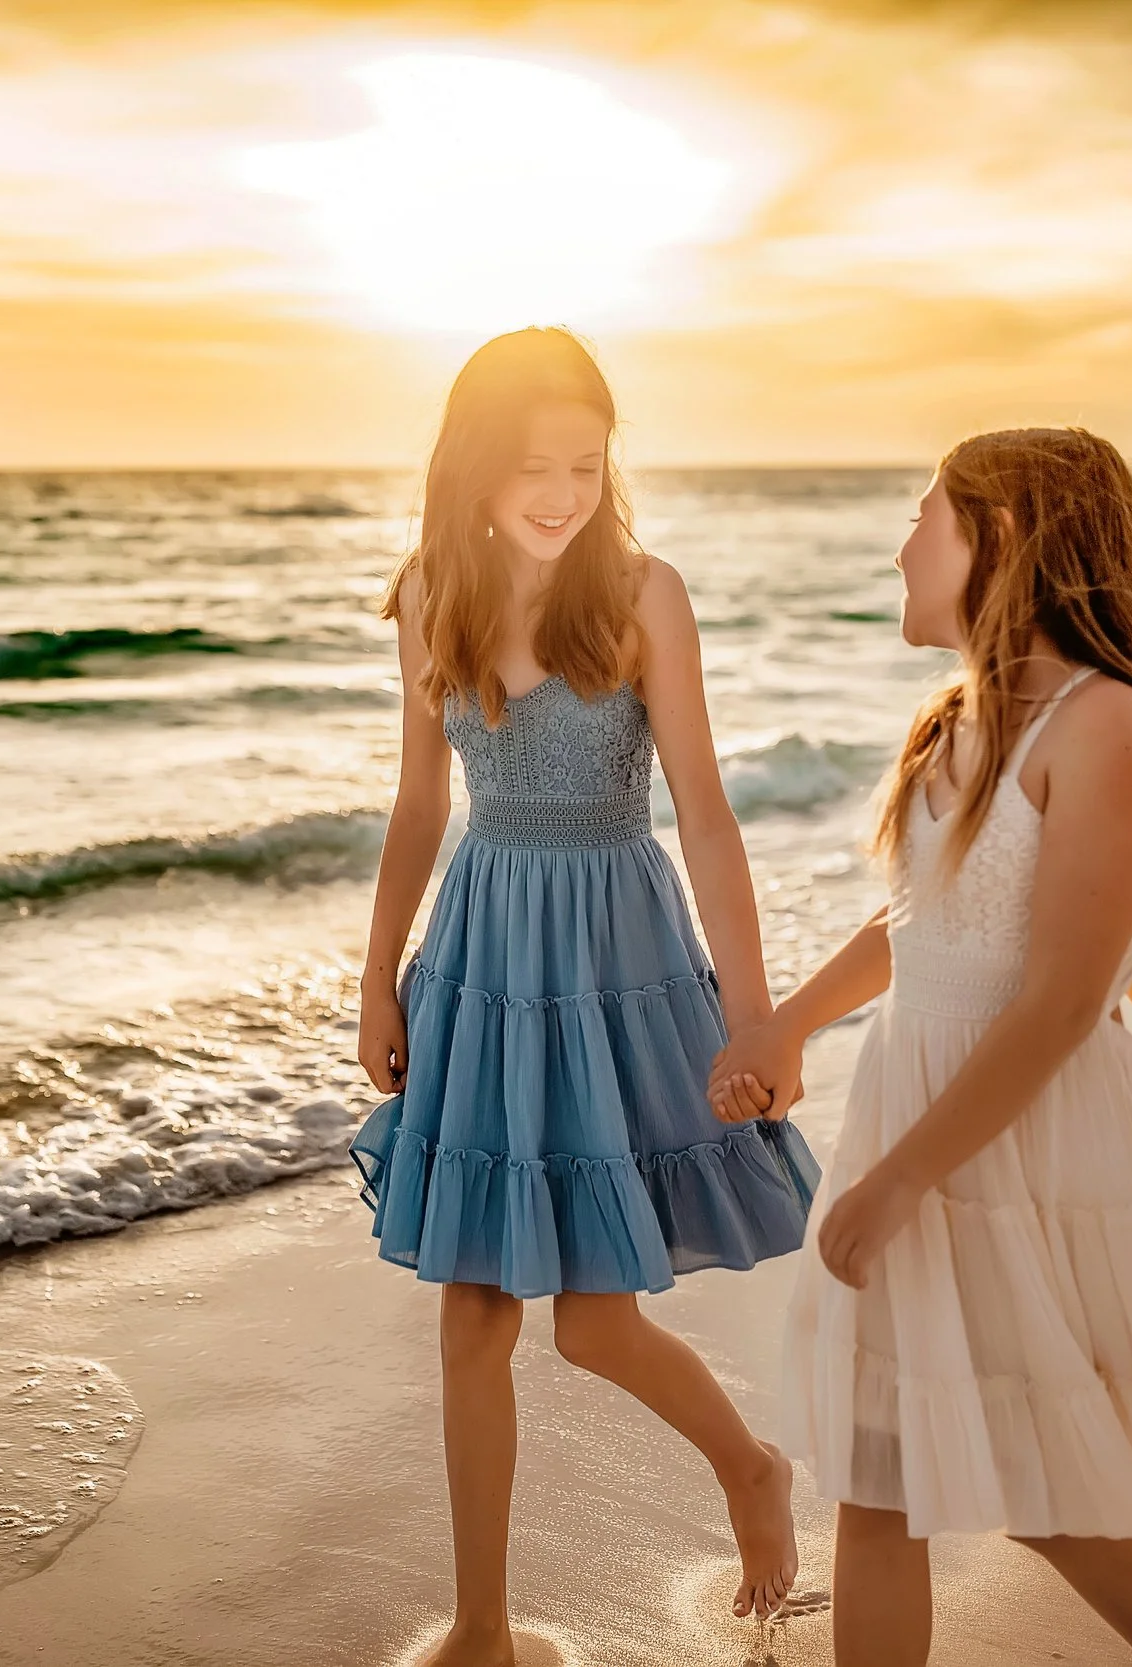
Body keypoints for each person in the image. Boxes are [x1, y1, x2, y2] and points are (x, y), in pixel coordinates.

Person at [708, 428, 1132, 1667]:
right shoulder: (947, 724)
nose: (901, 544)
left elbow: (1062, 1000)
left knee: (1030, 1460)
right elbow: (915, 917)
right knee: (879, 1464)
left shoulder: (1102, 726)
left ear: (1004, 542)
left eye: (927, 517)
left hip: (1014, 1134)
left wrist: (905, 1172)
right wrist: (787, 1021)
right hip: (913, 1101)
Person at [349, 327, 822, 1663]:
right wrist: (376, 977)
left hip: (613, 958)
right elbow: (416, 801)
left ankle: (748, 1466)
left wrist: (758, 1011)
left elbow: (709, 815)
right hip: (486, 960)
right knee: (472, 1313)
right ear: (473, 469)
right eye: (532, 466)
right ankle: (484, 1624)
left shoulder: (642, 593)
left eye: (585, 462)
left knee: (597, 1322)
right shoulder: (427, 590)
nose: (560, 490)